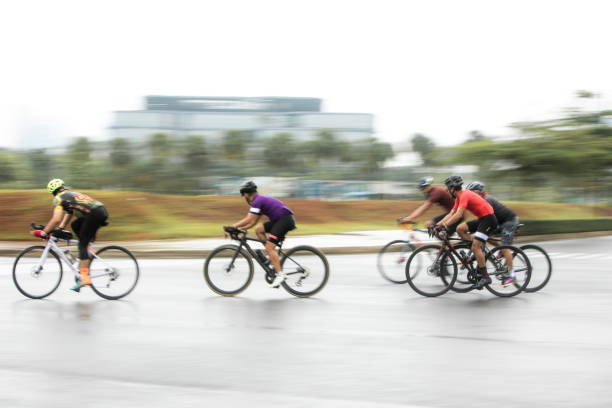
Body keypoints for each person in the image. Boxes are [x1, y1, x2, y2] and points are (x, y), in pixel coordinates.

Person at [31, 179, 108, 292]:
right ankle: (89, 252)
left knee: (82, 244)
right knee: (75, 225)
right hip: (99, 211)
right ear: (62, 187)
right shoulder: (69, 195)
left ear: (53, 192)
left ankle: (84, 278)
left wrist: (44, 232)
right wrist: (61, 228)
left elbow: (56, 219)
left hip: (94, 215)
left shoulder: (59, 198)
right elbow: (69, 214)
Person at [229, 181, 296, 288]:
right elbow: (252, 222)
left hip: (284, 220)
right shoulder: (259, 201)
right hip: (280, 220)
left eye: (243, 194)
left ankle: (280, 275)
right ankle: (270, 257)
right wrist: (240, 229)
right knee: (259, 229)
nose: (243, 197)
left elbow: (249, 218)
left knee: (270, 247)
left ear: (246, 193)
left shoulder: (257, 201)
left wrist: (233, 226)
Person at [435, 175, 497, 289]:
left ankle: (485, 277)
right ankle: (472, 252)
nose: (447, 190)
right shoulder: (459, 197)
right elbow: (451, 213)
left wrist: (444, 225)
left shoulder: (464, 195)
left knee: (476, 247)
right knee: (460, 229)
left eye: (448, 188)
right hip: (482, 219)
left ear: (453, 188)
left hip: (489, 220)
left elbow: (459, 215)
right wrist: (437, 225)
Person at [458, 181, 519, 286]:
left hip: (509, 221)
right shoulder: (480, 200)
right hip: (498, 222)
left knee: (505, 247)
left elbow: (487, 219)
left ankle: (512, 276)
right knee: (483, 238)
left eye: (472, 193)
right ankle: (499, 253)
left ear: (479, 192)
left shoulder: (487, 200)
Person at [398, 177, 463, 236]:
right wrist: (410, 218)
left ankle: (447, 246)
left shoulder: (436, 192)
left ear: (428, 186)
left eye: (423, 188)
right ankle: (446, 245)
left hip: (456, 214)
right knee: (429, 225)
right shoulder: (432, 191)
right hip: (451, 213)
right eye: (421, 189)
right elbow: (423, 206)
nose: (422, 191)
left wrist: (409, 218)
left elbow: (424, 208)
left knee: (439, 232)